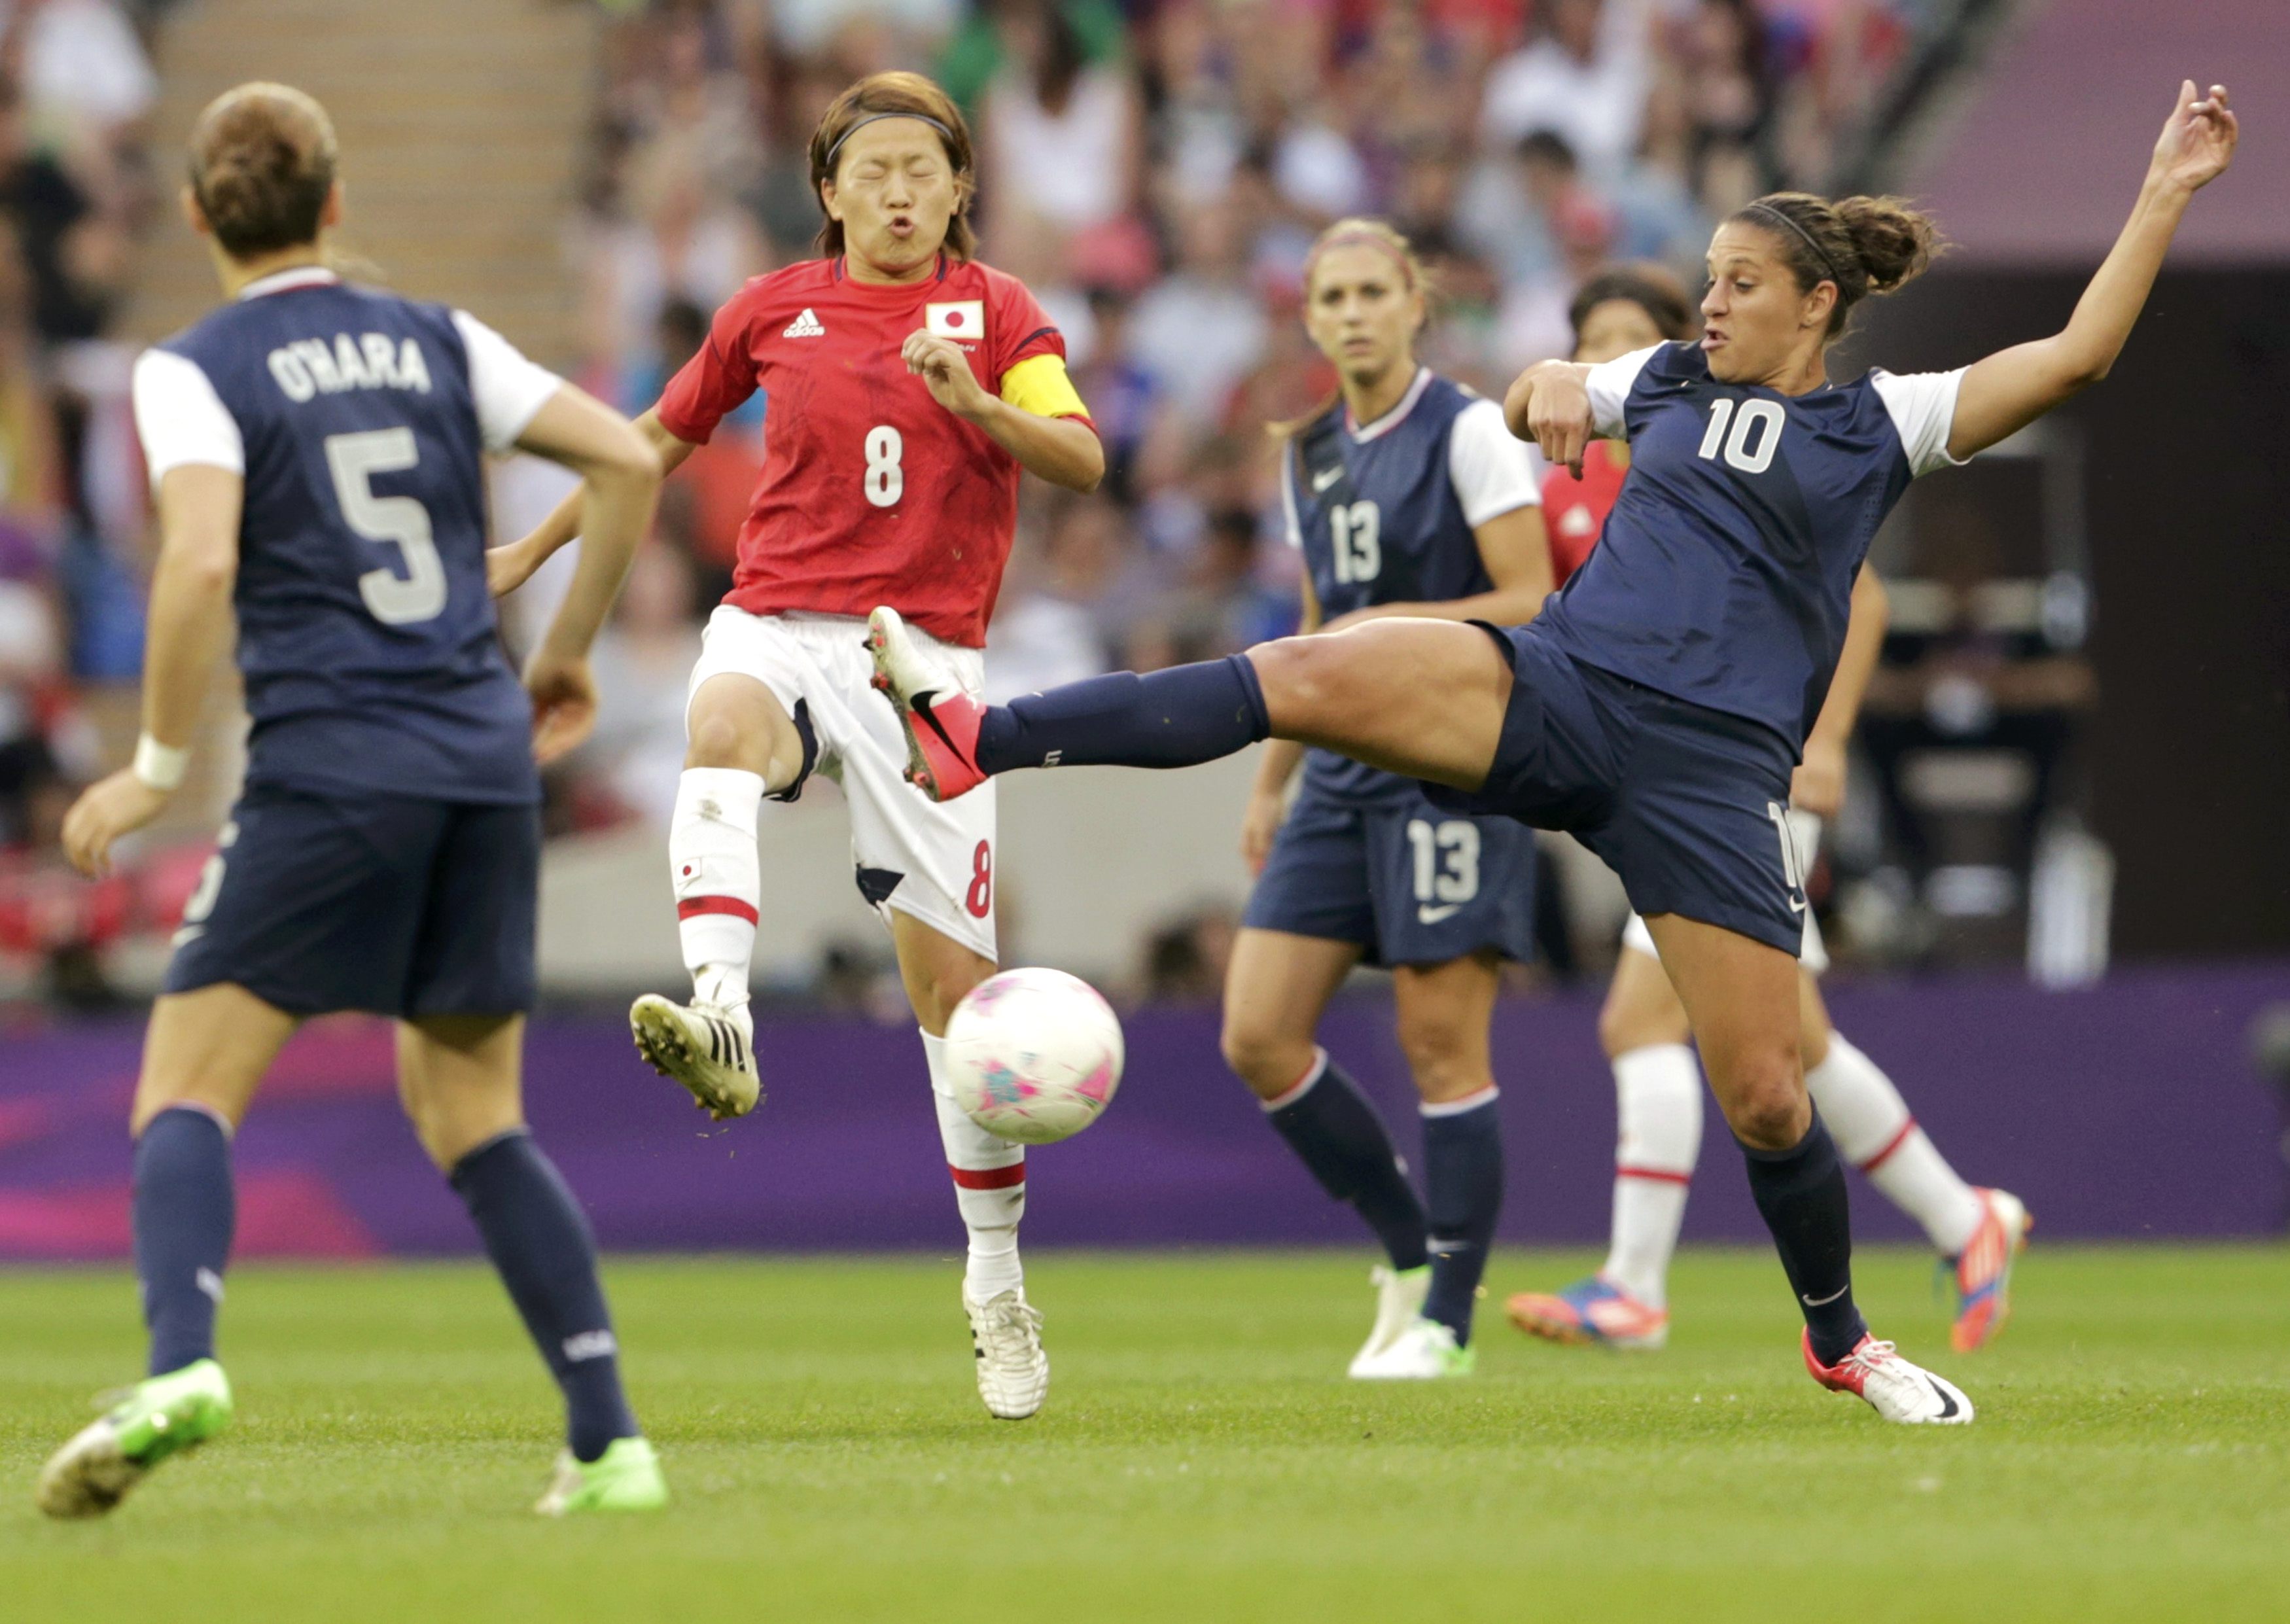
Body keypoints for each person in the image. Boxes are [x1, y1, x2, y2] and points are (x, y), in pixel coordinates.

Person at [866, 82, 2238, 1424]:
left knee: (1764, 1095)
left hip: (1706, 777)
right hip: (1562, 685)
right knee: (1306, 668)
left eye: (1742, 282)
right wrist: (1550, 392)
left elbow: (2072, 358)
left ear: (1816, 303)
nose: (1712, 300)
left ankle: (1840, 1341)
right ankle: (977, 733)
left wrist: (2162, 191)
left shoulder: (1880, 425)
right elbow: (1536, 390)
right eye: (1709, 276)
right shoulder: (1672, 377)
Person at [35, 83, 668, 1519]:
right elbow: (628, 460)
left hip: (332, 763)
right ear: (334, 204)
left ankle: (182, 1362)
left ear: (196, 214)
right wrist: (560, 656)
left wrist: (149, 764)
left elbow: (198, 562)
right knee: (473, 1115)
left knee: (186, 1084)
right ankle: (611, 1442)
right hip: (479, 767)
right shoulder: (441, 338)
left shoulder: (193, 366)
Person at [491, 72, 1103, 1422]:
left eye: (919, 170)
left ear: (959, 190)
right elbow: (646, 442)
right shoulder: (772, 308)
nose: (896, 191)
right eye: (870, 169)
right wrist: (532, 547)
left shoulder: (1000, 315)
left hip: (926, 661)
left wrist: (982, 404)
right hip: (777, 620)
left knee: (959, 1011)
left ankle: (995, 1282)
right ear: (827, 190)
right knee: (719, 727)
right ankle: (723, 1009)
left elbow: (1078, 457)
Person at [1509, 267, 2030, 1356]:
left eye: (1626, 336)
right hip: (1667, 765)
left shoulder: (1723, 430)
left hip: (1747, 768)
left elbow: (1865, 593)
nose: (1608, 352)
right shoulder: (1589, 482)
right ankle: (1961, 1216)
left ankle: (1635, 1286)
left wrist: (1828, 740)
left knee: (1640, 1020)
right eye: (1587, 337)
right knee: (1794, 1039)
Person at [1224, 220, 1554, 1381]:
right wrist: (1274, 774)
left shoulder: (1468, 431)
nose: (1356, 312)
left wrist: (1396, 632)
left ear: (1416, 304)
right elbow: (1320, 621)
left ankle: (1450, 1322)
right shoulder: (1306, 448)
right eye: (1334, 296)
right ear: (1310, 318)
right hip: (1341, 765)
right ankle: (1412, 1255)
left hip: (1453, 758)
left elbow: (1530, 596)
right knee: (1258, 1032)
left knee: (1438, 1042)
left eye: (1375, 291)